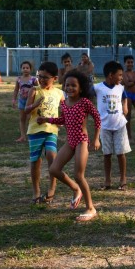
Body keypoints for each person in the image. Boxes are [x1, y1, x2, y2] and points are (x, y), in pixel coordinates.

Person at [38, 70, 101, 222]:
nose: (70, 88)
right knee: (54, 169)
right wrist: (46, 119)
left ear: (81, 88)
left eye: (74, 85)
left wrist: (96, 139)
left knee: (79, 175)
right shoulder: (64, 103)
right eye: (67, 85)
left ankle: (91, 208)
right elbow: (63, 120)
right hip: (70, 141)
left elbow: (97, 118)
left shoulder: (85, 102)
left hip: (81, 141)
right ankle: (75, 189)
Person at [25, 61, 64, 204]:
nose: (41, 79)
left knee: (51, 156)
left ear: (54, 78)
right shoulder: (34, 90)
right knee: (35, 161)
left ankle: (52, 188)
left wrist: (61, 121)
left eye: (45, 77)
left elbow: (65, 112)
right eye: (39, 76)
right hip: (35, 130)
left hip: (51, 130)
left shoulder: (59, 93)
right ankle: (36, 191)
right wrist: (34, 105)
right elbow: (26, 110)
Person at [93, 61, 131, 191]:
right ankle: (107, 180)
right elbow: (87, 95)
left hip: (120, 125)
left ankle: (123, 179)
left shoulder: (120, 87)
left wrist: (125, 106)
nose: (121, 78)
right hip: (104, 126)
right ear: (110, 75)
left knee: (121, 153)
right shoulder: (97, 87)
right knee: (107, 154)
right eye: (119, 75)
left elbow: (124, 97)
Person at [12, 61, 38, 142]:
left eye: (27, 68)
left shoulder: (34, 79)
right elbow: (16, 90)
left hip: (30, 101)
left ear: (30, 69)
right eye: (23, 68)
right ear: (21, 69)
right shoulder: (19, 79)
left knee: (30, 118)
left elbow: (38, 90)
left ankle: (31, 135)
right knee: (22, 118)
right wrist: (14, 99)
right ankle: (23, 136)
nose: (25, 69)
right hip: (21, 101)